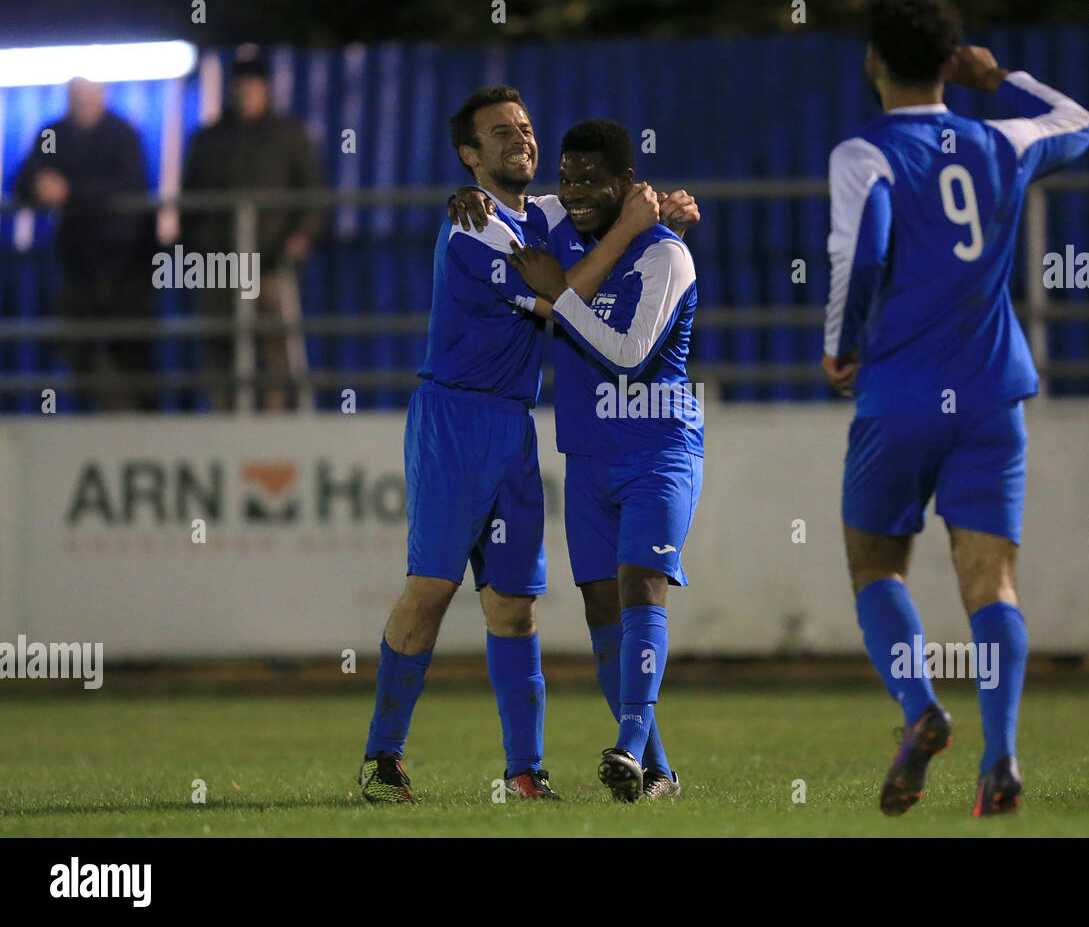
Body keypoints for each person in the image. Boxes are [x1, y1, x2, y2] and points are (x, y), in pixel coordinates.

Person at [359, 86, 694, 803]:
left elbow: (599, 221)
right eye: (499, 133)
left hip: (514, 425)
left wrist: (661, 212)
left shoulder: (539, 214)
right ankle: (381, 758)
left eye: (525, 127)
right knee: (432, 589)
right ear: (469, 155)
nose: (521, 139)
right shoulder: (480, 230)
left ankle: (526, 772)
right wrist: (633, 223)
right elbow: (568, 291)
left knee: (515, 606)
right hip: (455, 419)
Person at [822, 0, 1089, 817]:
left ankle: (921, 709)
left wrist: (841, 345)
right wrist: (998, 77)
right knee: (993, 582)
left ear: (873, 62)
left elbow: (861, 256)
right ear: (950, 59)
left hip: (901, 392)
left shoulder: (862, 154)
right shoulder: (1001, 140)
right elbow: (1077, 121)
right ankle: (1001, 757)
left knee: (875, 564)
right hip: (991, 395)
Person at [506, 120, 702, 802]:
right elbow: (511, 206)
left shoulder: (666, 255)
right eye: (567, 177)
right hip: (587, 454)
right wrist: (465, 200)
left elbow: (628, 356)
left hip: (658, 448)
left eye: (591, 179)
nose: (574, 191)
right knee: (600, 608)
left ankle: (626, 741)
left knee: (641, 586)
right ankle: (657, 772)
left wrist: (560, 295)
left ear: (626, 185)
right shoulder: (560, 227)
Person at [180, 52, 322, 411]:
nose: (245, 93)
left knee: (277, 347)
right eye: (240, 85)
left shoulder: (288, 136)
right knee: (222, 346)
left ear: (266, 88)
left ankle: (275, 429)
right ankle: (227, 422)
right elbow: (189, 200)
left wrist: (300, 236)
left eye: (252, 85)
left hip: (272, 262)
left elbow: (313, 193)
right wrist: (194, 250)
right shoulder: (209, 139)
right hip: (219, 263)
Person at [14, 77, 155, 411]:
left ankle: (132, 421)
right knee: (77, 344)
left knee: (130, 349)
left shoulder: (122, 135)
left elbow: (130, 186)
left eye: (88, 96)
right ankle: (113, 413)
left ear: (102, 97)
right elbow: (24, 177)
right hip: (77, 265)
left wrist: (71, 192)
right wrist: (39, 183)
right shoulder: (54, 134)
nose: (82, 103)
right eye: (75, 96)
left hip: (126, 264)